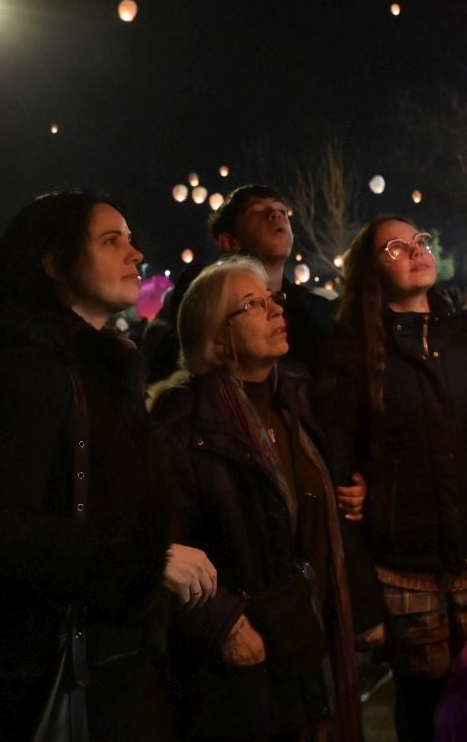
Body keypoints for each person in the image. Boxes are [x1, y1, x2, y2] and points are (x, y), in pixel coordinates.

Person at [0, 191, 217, 740]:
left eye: (130, 239)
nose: (135, 254)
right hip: (47, 678)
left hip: (108, 663)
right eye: (110, 241)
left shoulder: (91, 369)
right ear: (53, 263)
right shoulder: (22, 371)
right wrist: (147, 558)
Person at [319, 217, 467, 742]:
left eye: (420, 241)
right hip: (405, 573)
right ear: (370, 270)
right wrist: (365, 603)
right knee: (427, 714)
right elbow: (339, 478)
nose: (415, 251)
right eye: (395, 247)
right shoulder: (352, 355)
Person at [152, 257, 362, 742]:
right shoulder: (182, 425)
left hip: (305, 637)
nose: (274, 309)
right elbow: (166, 545)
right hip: (245, 658)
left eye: (272, 299)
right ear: (215, 338)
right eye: (252, 304)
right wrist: (224, 623)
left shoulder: (293, 400)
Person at [210, 185, 335, 372]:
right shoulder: (210, 311)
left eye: (282, 211)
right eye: (256, 212)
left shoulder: (316, 312)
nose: (275, 215)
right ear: (229, 242)